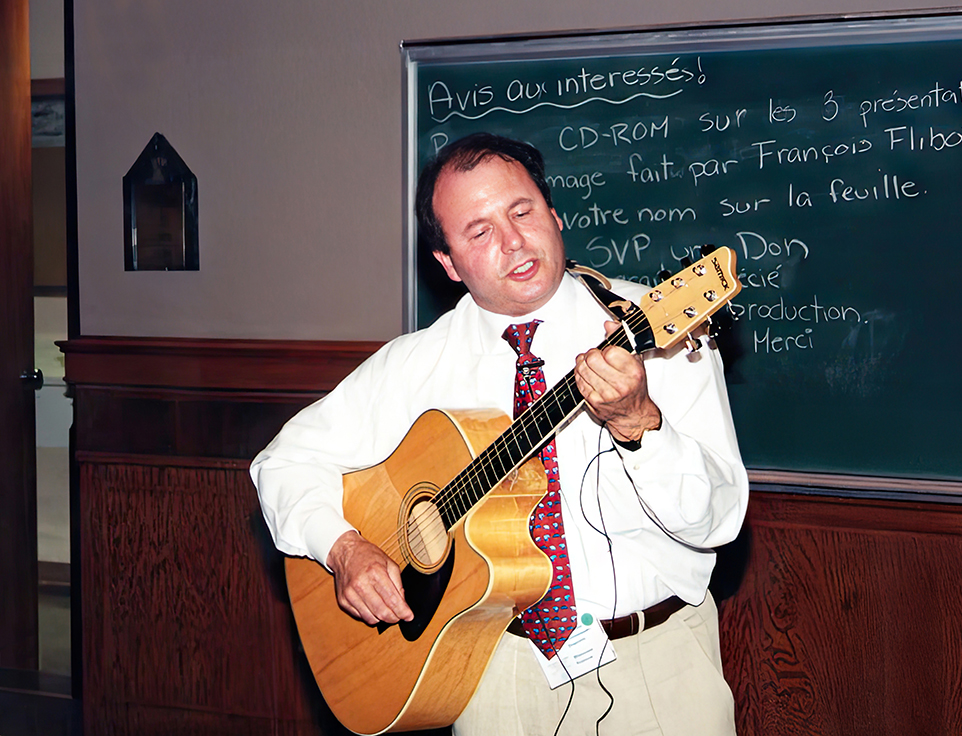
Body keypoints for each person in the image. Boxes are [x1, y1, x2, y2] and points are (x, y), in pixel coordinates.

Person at [251, 133, 748, 735]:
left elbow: (718, 521)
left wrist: (640, 425)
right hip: (488, 672)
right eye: (479, 231)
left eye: (522, 211)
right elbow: (282, 463)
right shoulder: (415, 363)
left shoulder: (652, 326)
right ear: (448, 264)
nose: (513, 242)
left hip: (656, 667)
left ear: (553, 214)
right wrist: (342, 547)